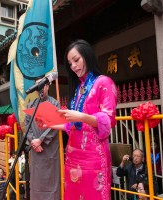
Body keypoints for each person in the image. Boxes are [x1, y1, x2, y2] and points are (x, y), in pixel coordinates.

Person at [47, 39, 117, 199]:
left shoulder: (104, 82)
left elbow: (108, 121)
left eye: (76, 60)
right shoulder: (78, 87)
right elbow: (73, 126)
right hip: (72, 156)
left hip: (93, 158)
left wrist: (82, 117)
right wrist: (49, 124)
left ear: (87, 56)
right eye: (70, 64)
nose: (73, 66)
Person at [25, 77, 61, 200]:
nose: (40, 88)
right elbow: (27, 126)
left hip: (50, 148)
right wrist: (33, 141)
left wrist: (41, 139)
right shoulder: (31, 105)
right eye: (37, 86)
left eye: (42, 85)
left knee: (52, 180)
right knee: (37, 180)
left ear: (47, 86)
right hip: (36, 150)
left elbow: (55, 125)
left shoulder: (55, 103)